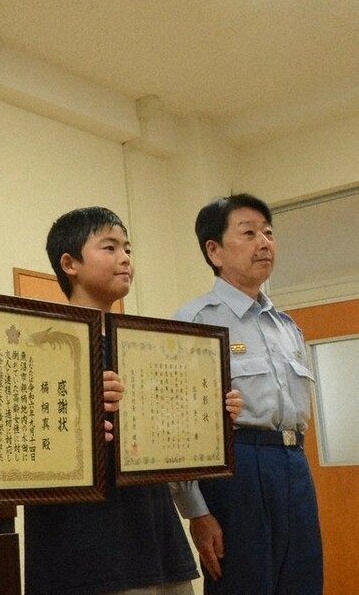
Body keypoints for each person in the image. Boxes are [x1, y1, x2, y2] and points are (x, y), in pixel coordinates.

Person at [25, 206, 243, 595]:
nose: (125, 258)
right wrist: (80, 408)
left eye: (128, 248)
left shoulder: (144, 348)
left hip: (156, 538)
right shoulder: (42, 344)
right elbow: (21, 443)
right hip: (83, 549)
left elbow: (166, 440)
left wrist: (209, 416)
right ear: (69, 263)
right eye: (109, 247)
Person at [171, 194, 322, 594]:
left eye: (269, 233)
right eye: (249, 233)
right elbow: (177, 426)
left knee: (303, 583)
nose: (264, 243)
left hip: (293, 464)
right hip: (236, 468)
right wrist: (196, 512)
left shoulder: (287, 326)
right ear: (214, 251)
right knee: (243, 584)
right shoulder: (196, 320)